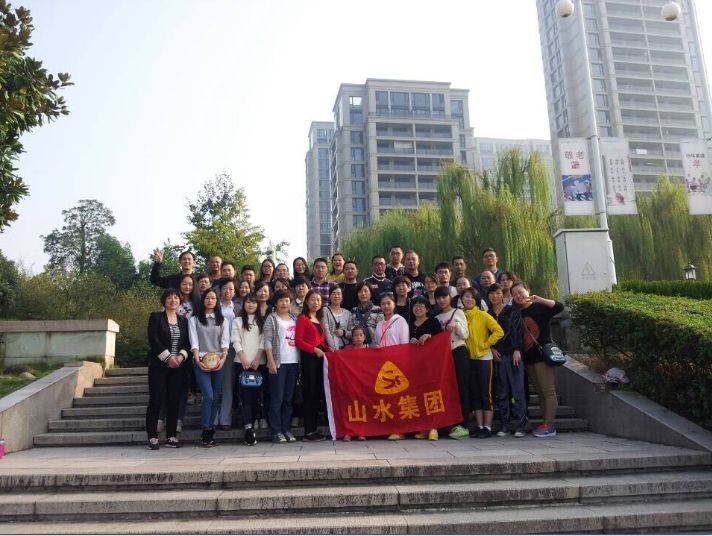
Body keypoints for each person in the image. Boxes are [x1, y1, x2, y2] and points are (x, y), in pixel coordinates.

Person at [512, 282, 565, 438]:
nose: (518, 296)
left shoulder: (540, 308)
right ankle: (545, 422)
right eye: (514, 294)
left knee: (548, 391)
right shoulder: (517, 313)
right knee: (540, 392)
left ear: (527, 291)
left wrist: (540, 299)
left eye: (520, 292)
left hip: (543, 356)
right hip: (529, 358)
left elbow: (559, 307)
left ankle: (549, 425)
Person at [145, 289, 191, 450]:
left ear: (180, 301)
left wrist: (180, 357)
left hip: (178, 366)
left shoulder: (183, 321)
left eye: (176, 298)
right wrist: (168, 357)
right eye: (169, 298)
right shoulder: (156, 317)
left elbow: (187, 342)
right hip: (158, 366)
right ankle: (152, 437)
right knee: (156, 400)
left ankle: (171, 436)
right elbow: (154, 339)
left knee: (174, 401)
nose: (173, 300)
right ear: (164, 301)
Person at [189, 287, 230, 447]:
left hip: (219, 361)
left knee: (215, 397)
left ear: (217, 301)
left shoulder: (222, 320)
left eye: (213, 298)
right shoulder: (194, 319)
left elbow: (225, 343)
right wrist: (197, 360)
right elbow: (194, 342)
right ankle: (206, 430)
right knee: (208, 396)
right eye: (207, 298)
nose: (210, 301)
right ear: (203, 300)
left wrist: (223, 359)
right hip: (201, 360)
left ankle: (210, 433)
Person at [461, 287, 504, 439]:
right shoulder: (460, 315)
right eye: (466, 297)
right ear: (461, 299)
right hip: (469, 359)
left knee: (486, 394)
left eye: (472, 297)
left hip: (484, 358)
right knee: (475, 394)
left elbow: (499, 331)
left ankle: (487, 427)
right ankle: (479, 426)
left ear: (477, 300)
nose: (469, 300)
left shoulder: (483, 315)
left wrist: (486, 344)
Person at [487, 283, 525, 437]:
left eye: (497, 293)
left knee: (517, 391)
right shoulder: (487, 314)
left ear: (503, 295)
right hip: (498, 356)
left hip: (513, 354)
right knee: (501, 392)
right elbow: (486, 335)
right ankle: (505, 425)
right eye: (491, 293)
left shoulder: (512, 311)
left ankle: (520, 426)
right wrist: (491, 349)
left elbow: (517, 331)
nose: (494, 296)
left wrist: (517, 349)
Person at [434, 286, 470, 440]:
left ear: (450, 297)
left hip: (458, 351)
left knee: (462, 386)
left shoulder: (458, 312)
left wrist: (456, 326)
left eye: (444, 297)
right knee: (447, 388)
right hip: (443, 356)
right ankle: (450, 423)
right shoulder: (436, 318)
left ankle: (464, 424)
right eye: (438, 298)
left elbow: (465, 335)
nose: (442, 300)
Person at [295, 289, 332, 442]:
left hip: (320, 358)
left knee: (317, 393)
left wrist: (329, 350)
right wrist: (314, 349)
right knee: (309, 393)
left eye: (318, 300)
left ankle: (314, 429)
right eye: (313, 299)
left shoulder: (319, 319)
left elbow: (322, 341)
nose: (315, 302)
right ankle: (308, 431)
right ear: (307, 302)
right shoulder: (303, 318)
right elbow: (298, 341)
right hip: (309, 358)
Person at [264, 289, 299, 443]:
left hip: (293, 363)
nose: (284, 303)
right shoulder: (272, 319)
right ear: (276, 303)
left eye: (287, 300)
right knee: (277, 399)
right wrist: (271, 361)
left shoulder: (295, 319)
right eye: (281, 301)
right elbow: (267, 341)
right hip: (278, 363)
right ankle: (276, 431)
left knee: (288, 399)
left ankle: (286, 429)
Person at [373, 292, 410, 441]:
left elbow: (404, 344)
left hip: (397, 364)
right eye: (383, 304)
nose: (386, 306)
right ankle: (389, 428)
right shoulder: (379, 324)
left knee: (398, 397)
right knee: (386, 398)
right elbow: (377, 343)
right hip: (383, 365)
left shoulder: (400, 321)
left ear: (394, 304)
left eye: (388, 303)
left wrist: (402, 362)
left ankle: (401, 429)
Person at [231, 293, 265, 447]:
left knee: (256, 396)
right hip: (241, 363)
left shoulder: (261, 320)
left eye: (254, 302)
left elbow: (264, 341)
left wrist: (257, 358)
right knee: (245, 397)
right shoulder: (237, 321)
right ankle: (248, 428)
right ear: (243, 304)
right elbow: (235, 340)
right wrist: (243, 358)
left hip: (259, 364)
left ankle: (254, 421)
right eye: (248, 302)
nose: (251, 305)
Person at [409, 295, 443, 441]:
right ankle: (423, 428)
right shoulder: (409, 324)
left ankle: (434, 427)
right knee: (418, 396)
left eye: (421, 305)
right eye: (415, 305)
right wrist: (410, 341)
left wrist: (430, 336)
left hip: (431, 364)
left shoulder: (433, 322)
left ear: (427, 309)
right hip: (415, 365)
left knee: (433, 395)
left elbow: (441, 340)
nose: (418, 308)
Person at [215, 279, 237, 431]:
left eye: (231, 289)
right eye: (225, 288)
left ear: (234, 291)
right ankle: (213, 418)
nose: (227, 291)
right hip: (214, 349)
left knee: (228, 385)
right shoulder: (214, 306)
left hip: (232, 349)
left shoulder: (238, 308)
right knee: (215, 385)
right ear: (220, 290)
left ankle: (225, 419)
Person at [347, 281, 384, 345]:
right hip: (357, 347)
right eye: (360, 291)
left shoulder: (378, 310)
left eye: (365, 291)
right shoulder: (353, 311)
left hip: (373, 346)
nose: (363, 294)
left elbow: (380, 331)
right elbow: (350, 332)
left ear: (371, 294)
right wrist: (344, 333)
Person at [323, 286, 352, 350]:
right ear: (329, 296)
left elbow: (352, 333)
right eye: (333, 293)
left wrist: (344, 333)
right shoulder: (324, 310)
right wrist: (334, 348)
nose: (336, 296)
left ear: (342, 297)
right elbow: (326, 331)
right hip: (330, 349)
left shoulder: (348, 313)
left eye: (338, 294)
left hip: (345, 348)